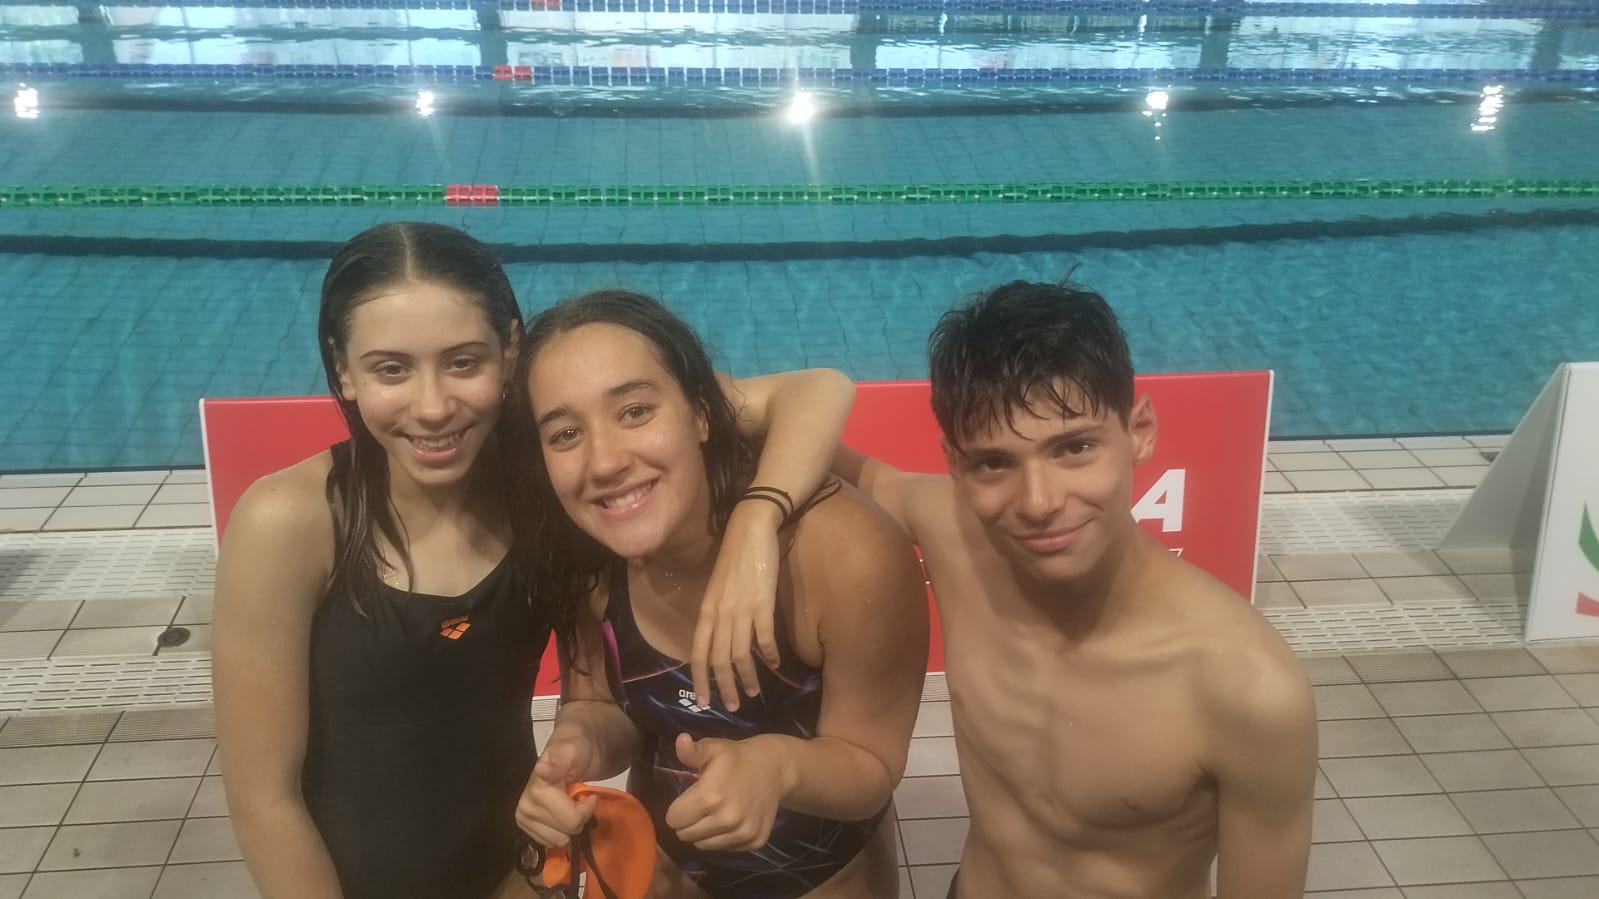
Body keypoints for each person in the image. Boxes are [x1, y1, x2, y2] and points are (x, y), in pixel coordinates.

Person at [213, 223, 856, 899]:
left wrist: (757, 517)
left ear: (511, 349)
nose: (433, 407)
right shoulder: (290, 522)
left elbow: (815, 390)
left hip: (525, 869)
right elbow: (265, 799)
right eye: (391, 369)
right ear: (343, 369)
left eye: (464, 362)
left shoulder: (554, 474)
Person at [831, 280, 1317, 898]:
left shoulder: (1248, 689)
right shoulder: (955, 535)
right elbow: (795, 428)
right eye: (994, 463)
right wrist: (750, 535)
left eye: (1074, 447)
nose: (1038, 502)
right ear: (955, 464)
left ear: (1139, 432)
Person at [510, 289, 928, 898]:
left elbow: (872, 763)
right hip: (664, 871)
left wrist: (778, 768)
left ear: (703, 415)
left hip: (822, 881)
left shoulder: (840, 552)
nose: (603, 462)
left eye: (634, 411)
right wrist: (574, 749)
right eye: (566, 433)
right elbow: (599, 703)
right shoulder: (588, 552)